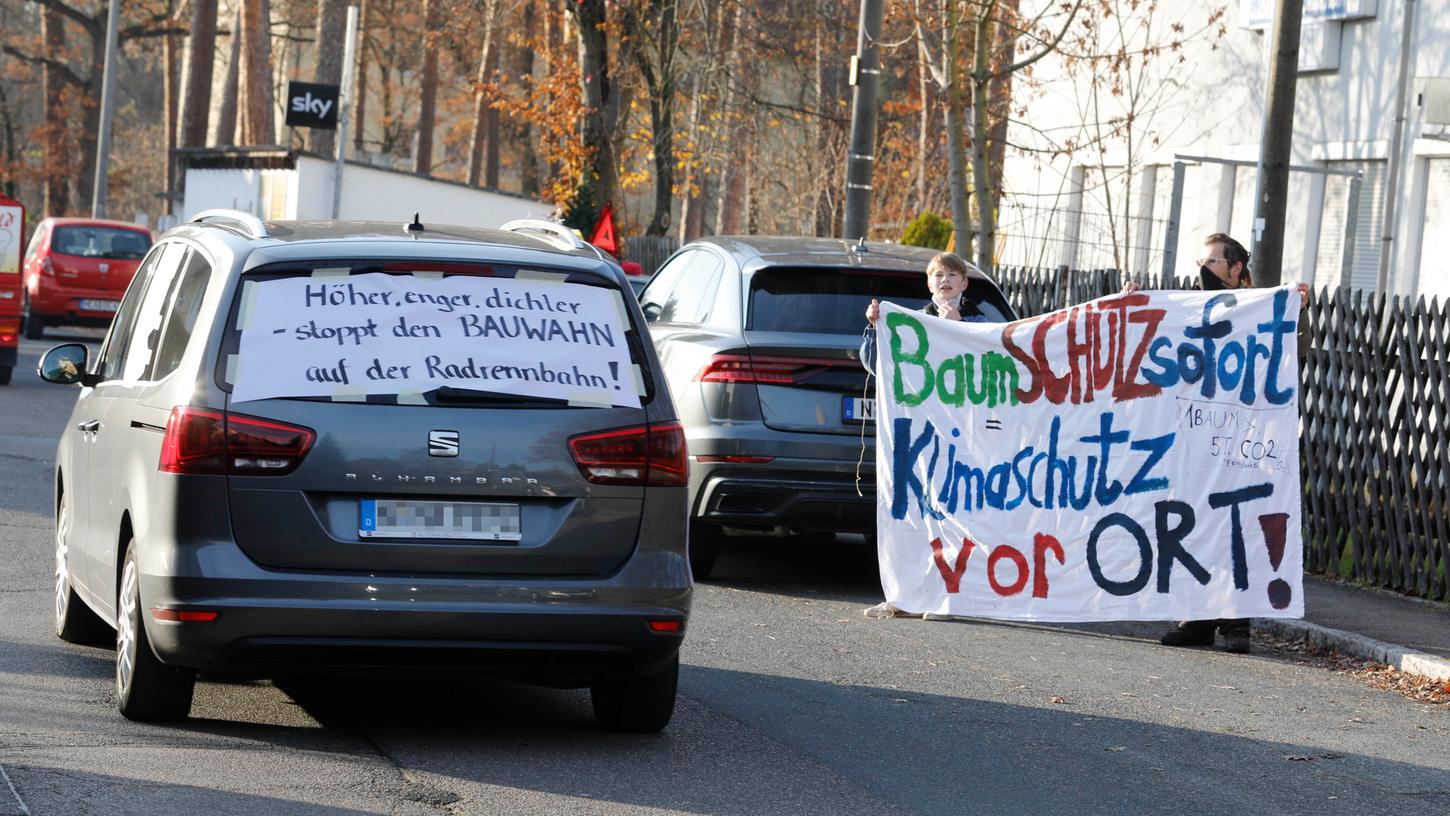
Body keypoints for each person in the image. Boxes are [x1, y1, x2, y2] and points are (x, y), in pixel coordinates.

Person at [1127, 232, 1309, 654]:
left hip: (1245, 439)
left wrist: (1300, 309)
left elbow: (1291, 351)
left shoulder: (1262, 307)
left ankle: (1235, 623)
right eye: (1202, 260)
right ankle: (1198, 617)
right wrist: (1131, 302)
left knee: (1239, 521)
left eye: (1212, 262)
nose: (1203, 269)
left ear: (1235, 269)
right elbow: (1152, 336)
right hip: (1195, 435)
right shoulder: (1190, 308)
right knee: (1197, 522)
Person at [859, 251, 990, 620]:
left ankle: (950, 597)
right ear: (928, 284)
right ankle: (906, 595)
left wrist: (960, 327)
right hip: (918, 437)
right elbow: (874, 362)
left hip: (962, 439)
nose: (944, 281)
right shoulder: (911, 322)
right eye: (937, 276)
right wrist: (875, 328)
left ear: (964, 284)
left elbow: (993, 366)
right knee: (912, 515)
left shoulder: (980, 321)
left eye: (952, 275)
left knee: (954, 516)